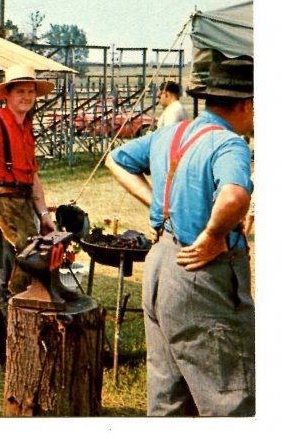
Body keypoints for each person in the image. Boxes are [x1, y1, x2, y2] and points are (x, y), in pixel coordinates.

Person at [104, 55, 254, 416]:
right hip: (200, 273)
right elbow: (235, 195)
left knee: (169, 399)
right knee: (228, 398)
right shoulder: (229, 144)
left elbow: (116, 159)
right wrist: (214, 235)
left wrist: (159, 207)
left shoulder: (172, 132)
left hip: (159, 266)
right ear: (249, 104)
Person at [0, 64, 56, 361]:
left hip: (21, 208)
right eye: (21, 91)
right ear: (7, 94)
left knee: (22, 275)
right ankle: (1, 350)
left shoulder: (26, 128)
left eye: (31, 92)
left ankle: (8, 348)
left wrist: (43, 215)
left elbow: (32, 178)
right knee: (0, 281)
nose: (27, 97)